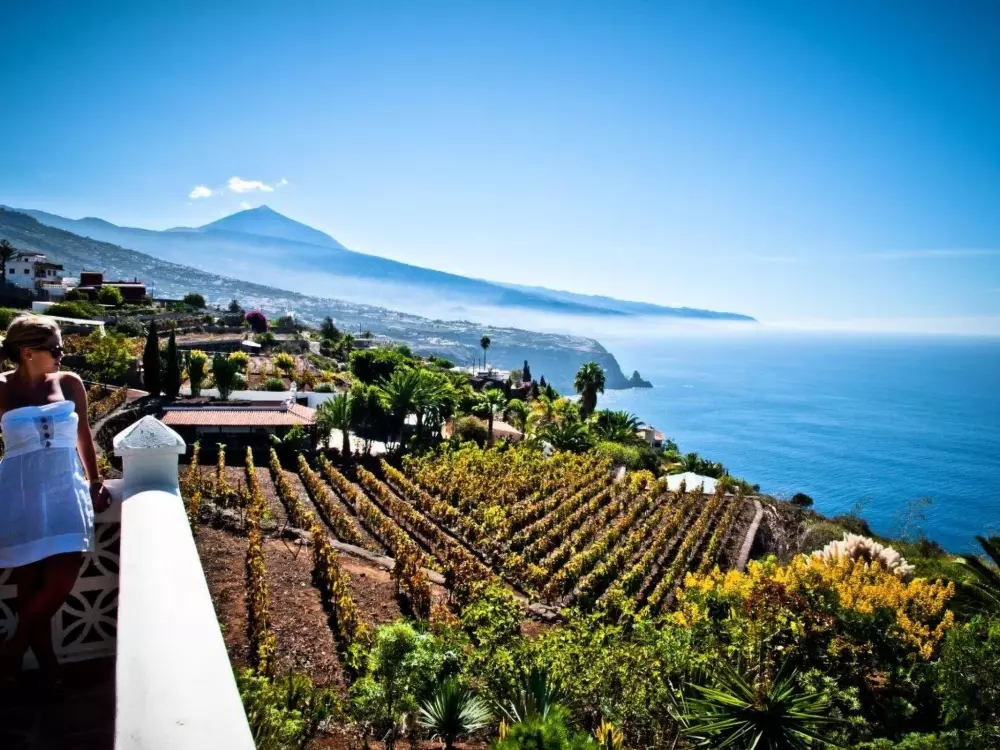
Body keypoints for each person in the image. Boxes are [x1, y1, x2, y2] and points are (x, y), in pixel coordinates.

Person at [0, 314, 111, 685]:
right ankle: (50, 671)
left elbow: (83, 435)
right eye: (55, 349)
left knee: (63, 575)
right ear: (28, 352)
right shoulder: (0, 388)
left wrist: (95, 479)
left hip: (66, 489)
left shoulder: (69, 382)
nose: (62, 355)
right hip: (20, 492)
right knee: (28, 581)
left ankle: (13, 651)